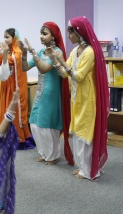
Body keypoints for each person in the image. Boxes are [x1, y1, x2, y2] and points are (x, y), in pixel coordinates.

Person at [46, 16, 109, 179]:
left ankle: (89, 171)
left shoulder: (90, 52)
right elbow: (64, 73)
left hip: (87, 98)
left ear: (78, 33)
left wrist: (60, 59)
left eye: (70, 33)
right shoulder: (75, 51)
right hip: (75, 98)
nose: (68, 36)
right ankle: (83, 166)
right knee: (77, 133)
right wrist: (54, 59)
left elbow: (78, 76)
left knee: (85, 133)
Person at [17, 22, 67, 165]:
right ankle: (44, 153)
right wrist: (25, 54)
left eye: (45, 33)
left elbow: (44, 68)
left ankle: (53, 155)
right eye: (41, 33)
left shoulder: (57, 52)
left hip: (50, 92)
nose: (41, 36)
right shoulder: (40, 52)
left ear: (53, 36)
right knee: (34, 123)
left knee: (47, 125)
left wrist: (33, 52)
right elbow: (25, 67)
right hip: (40, 92)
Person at [0, 28, 35, 149]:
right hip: (6, 85)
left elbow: (11, 61)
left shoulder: (18, 52)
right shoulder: (9, 50)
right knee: (5, 109)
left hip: (15, 87)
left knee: (14, 112)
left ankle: (18, 138)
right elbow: (0, 60)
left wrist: (3, 52)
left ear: (14, 38)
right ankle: (5, 135)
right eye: (4, 37)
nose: (5, 39)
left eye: (7, 37)